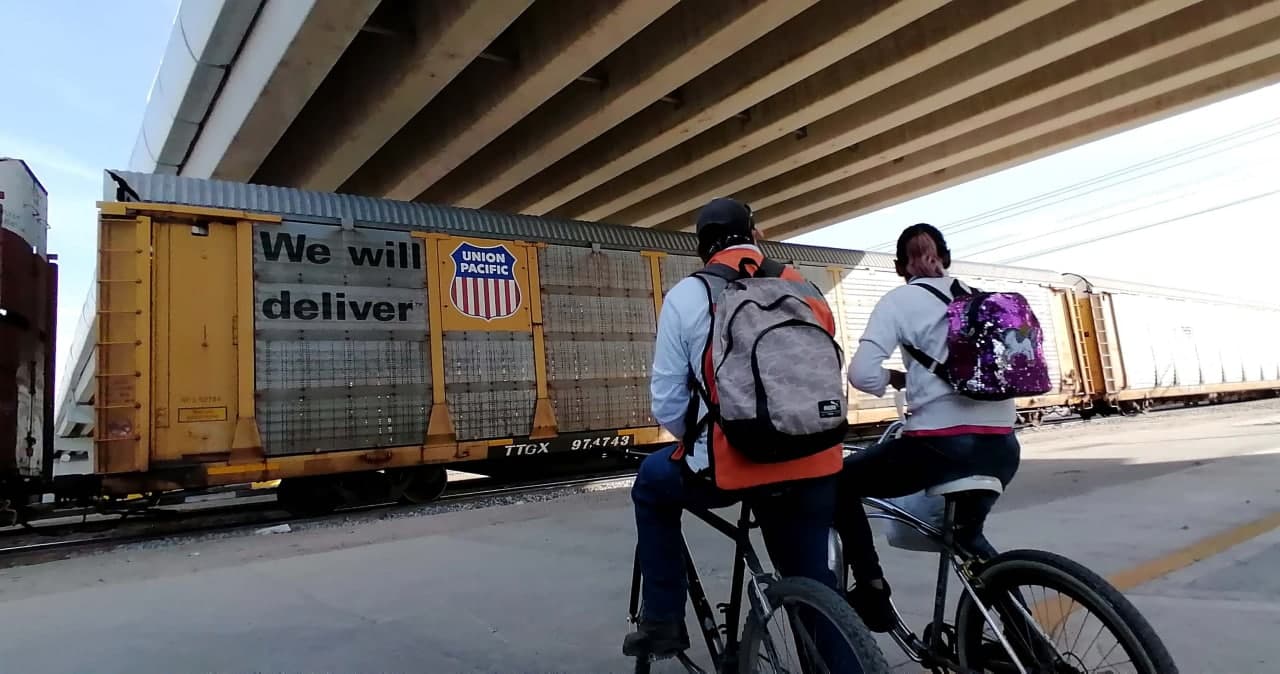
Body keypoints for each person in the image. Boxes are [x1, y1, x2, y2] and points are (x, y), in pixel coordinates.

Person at [623, 198, 847, 658]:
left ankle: (663, 621)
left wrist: (703, 436)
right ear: (756, 234)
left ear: (701, 248)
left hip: (733, 464)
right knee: (816, 594)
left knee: (650, 482)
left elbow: (667, 404)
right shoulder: (805, 286)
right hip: (817, 458)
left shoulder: (688, 295)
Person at [836, 223, 1022, 633]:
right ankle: (1028, 641)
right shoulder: (978, 300)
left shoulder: (900, 301)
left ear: (901, 266)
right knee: (966, 540)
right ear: (947, 257)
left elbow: (862, 375)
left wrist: (893, 379)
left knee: (839, 484)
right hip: (1003, 447)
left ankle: (872, 590)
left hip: (941, 446)